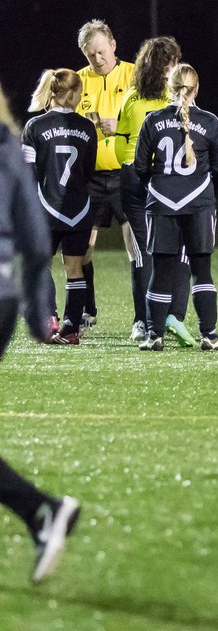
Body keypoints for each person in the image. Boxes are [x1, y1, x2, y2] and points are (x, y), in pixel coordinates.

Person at [0, 82, 80, 582]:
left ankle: (40, 511)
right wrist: (35, 317)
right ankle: (40, 513)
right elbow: (33, 238)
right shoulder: (8, 144)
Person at [133, 64, 218, 351]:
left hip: (161, 203)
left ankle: (155, 336)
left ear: (169, 88)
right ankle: (210, 336)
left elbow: (140, 167)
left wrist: (160, 183)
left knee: (161, 270)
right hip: (200, 203)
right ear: (197, 88)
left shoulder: (152, 120)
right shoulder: (211, 121)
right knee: (202, 270)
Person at [115, 37, 193, 344]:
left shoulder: (132, 96)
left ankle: (143, 321)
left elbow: (122, 140)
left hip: (133, 176)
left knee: (143, 252)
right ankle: (167, 316)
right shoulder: (177, 97)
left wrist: (129, 166)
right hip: (163, 178)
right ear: (169, 65)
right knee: (172, 249)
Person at [22, 70, 97, 344]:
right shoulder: (88, 127)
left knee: (42, 265)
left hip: (46, 208)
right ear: (75, 94)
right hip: (79, 209)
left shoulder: (34, 126)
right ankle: (71, 328)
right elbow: (89, 170)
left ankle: (49, 317)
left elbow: (28, 173)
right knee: (74, 268)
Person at [74, 19, 137, 329]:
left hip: (127, 174)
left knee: (135, 247)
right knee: (82, 249)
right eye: (90, 55)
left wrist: (120, 126)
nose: (97, 60)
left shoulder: (135, 75)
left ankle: (143, 317)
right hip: (91, 179)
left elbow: (151, 122)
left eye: (101, 52)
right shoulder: (76, 81)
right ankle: (88, 310)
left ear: (113, 45)